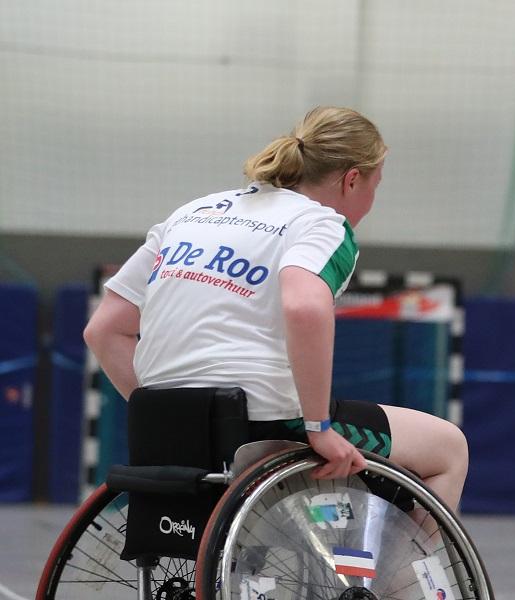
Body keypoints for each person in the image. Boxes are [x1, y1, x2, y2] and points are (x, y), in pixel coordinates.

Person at [83, 106, 470, 511]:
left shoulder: (191, 213)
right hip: (261, 423)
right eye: (376, 185)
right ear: (353, 179)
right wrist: (318, 427)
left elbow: (103, 331)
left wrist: (168, 418)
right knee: (448, 449)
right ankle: (408, 577)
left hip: (166, 422)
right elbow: (304, 307)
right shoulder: (323, 224)